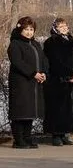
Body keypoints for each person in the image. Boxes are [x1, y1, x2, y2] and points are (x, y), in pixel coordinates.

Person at [43, 18, 73, 146]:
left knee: (70, 109)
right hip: (57, 80)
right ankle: (56, 134)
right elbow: (55, 61)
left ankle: (66, 133)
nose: (64, 28)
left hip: (72, 81)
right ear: (55, 28)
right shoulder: (51, 42)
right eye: (60, 26)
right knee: (57, 108)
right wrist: (70, 73)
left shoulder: (72, 40)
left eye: (65, 26)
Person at [7, 16, 47, 149]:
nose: (29, 32)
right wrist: (33, 73)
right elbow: (18, 62)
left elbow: (43, 60)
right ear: (20, 30)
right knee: (20, 112)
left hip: (33, 82)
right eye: (26, 29)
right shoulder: (15, 44)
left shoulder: (35, 44)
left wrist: (43, 73)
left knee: (30, 111)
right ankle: (18, 140)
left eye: (31, 29)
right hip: (21, 82)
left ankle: (27, 137)